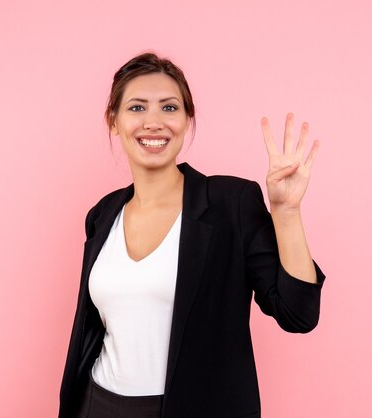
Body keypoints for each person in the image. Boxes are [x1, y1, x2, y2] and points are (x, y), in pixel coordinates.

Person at [58, 52, 326, 418]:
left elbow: (298, 314)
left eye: (169, 108)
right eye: (137, 108)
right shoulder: (103, 215)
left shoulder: (231, 204)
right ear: (114, 122)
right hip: (98, 403)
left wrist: (287, 212)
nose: (153, 122)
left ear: (187, 119)